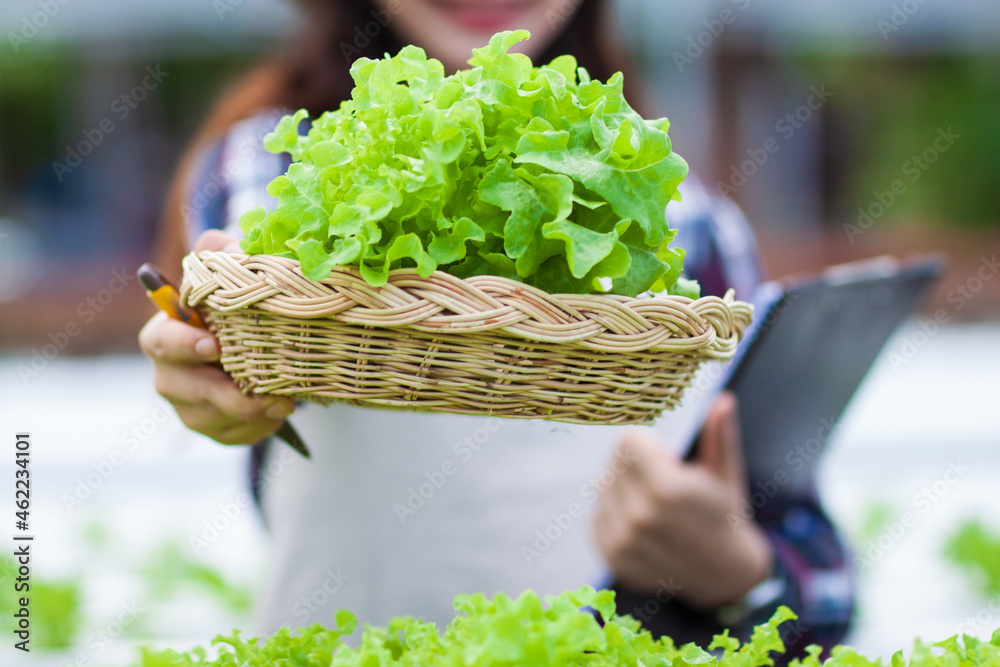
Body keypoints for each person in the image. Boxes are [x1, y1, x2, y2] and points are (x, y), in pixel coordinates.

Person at [140, 0, 854, 654]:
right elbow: (237, 281)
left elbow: (818, 590)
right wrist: (210, 359)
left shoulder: (684, 225)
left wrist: (736, 571)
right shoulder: (277, 164)